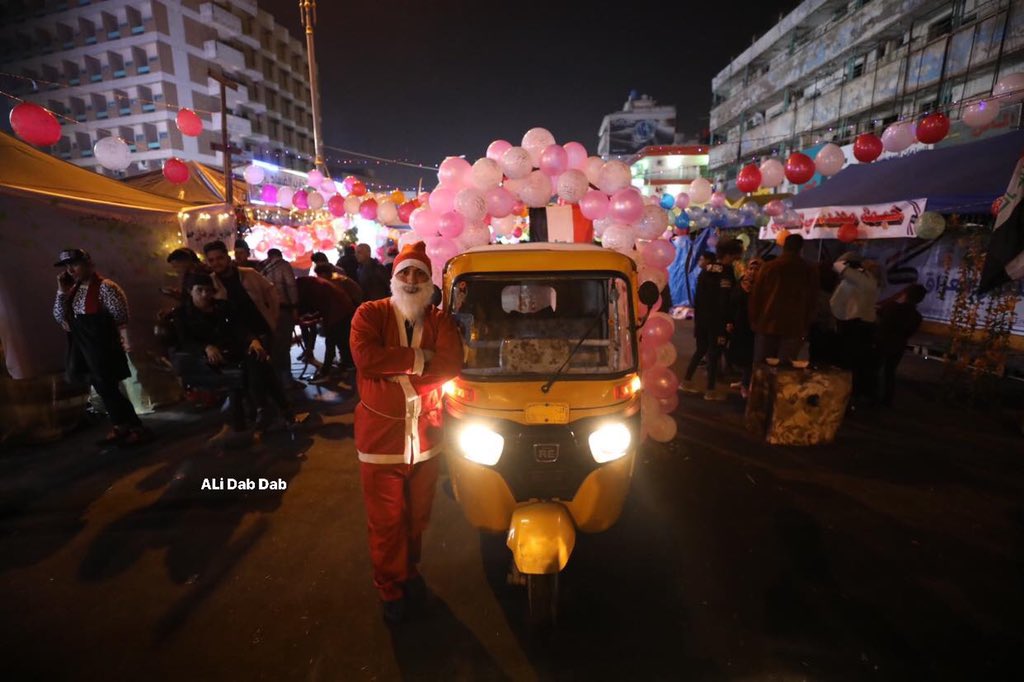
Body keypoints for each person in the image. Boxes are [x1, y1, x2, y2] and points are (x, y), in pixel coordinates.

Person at [350, 241, 463, 623]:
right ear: (393, 278)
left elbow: (450, 365)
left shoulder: (440, 320)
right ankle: (390, 588)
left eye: (419, 274)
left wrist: (395, 370)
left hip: (427, 440)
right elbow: (366, 359)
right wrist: (420, 359)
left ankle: (408, 571)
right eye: (405, 273)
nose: (412, 280)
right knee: (386, 523)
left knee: (417, 519)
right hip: (380, 442)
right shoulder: (369, 313)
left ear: (429, 281)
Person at [173, 272, 291, 440]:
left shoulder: (223, 306)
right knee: (258, 366)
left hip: (234, 352)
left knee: (258, 357)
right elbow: (184, 341)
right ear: (190, 290)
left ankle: (263, 411)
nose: (205, 295)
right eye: (200, 291)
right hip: (206, 361)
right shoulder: (182, 314)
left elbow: (240, 327)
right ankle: (276, 409)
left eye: (208, 291)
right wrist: (206, 347)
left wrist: (253, 340)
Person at [52, 248, 152, 446]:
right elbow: (59, 317)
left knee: (109, 389)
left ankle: (136, 427)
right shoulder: (72, 290)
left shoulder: (106, 287)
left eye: (75, 264)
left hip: (103, 348)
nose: (70, 270)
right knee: (102, 389)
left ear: (89, 264)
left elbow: (121, 316)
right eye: (67, 266)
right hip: (83, 349)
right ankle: (121, 425)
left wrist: (94, 326)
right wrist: (61, 291)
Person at [682, 238, 742, 400]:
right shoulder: (726, 271)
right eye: (737, 253)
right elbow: (725, 299)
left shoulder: (706, 268)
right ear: (730, 254)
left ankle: (686, 381)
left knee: (701, 349)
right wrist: (727, 320)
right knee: (714, 353)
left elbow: (698, 296)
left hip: (701, 318)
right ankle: (710, 390)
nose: (739, 257)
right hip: (717, 320)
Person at [748, 234, 818, 364]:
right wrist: (806, 324)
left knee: (762, 367)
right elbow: (812, 300)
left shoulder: (769, 267)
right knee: (785, 371)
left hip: (767, 323)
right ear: (800, 249)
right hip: (794, 326)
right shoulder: (809, 270)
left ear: (784, 247)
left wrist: (754, 320)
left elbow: (756, 296)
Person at [831, 253, 882, 405]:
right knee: (857, 363)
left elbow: (838, 264)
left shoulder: (863, 280)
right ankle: (855, 394)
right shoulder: (870, 283)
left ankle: (846, 395)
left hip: (854, 325)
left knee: (848, 362)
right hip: (863, 325)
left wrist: (851, 258)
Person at [295, 274, 357, 383]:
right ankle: (347, 366)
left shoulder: (303, 286)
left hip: (337, 312)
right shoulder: (314, 283)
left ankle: (326, 373)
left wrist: (302, 316)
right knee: (340, 340)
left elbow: (321, 304)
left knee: (331, 341)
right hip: (344, 309)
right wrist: (314, 316)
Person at [875, 284, 926, 407]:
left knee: (876, 369)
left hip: (883, 341)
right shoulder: (917, 317)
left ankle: (872, 395)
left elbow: (879, 313)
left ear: (906, 294)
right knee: (890, 372)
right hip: (899, 345)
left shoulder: (893, 307)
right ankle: (887, 399)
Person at [261, 248, 300, 386]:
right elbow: (291, 286)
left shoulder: (262, 268)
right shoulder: (284, 265)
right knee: (284, 345)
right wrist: (295, 307)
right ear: (280, 255)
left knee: (274, 345)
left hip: (268, 310)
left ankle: (276, 379)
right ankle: (286, 379)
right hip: (283, 309)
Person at [728, 257, 762, 398]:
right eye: (751, 268)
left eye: (756, 269)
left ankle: (746, 384)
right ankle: (744, 380)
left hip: (753, 325)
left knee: (750, 355)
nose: (753, 272)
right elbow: (731, 303)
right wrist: (729, 321)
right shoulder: (740, 283)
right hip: (738, 324)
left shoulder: (762, 286)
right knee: (739, 353)